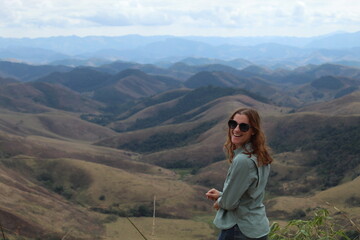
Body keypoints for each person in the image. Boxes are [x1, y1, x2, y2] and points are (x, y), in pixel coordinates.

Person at [206, 108, 273, 240]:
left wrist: (220, 201)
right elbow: (249, 195)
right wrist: (221, 194)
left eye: (243, 127)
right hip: (257, 228)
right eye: (233, 124)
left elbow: (229, 203)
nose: (236, 129)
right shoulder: (260, 154)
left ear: (253, 131)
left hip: (238, 229)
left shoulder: (243, 160)